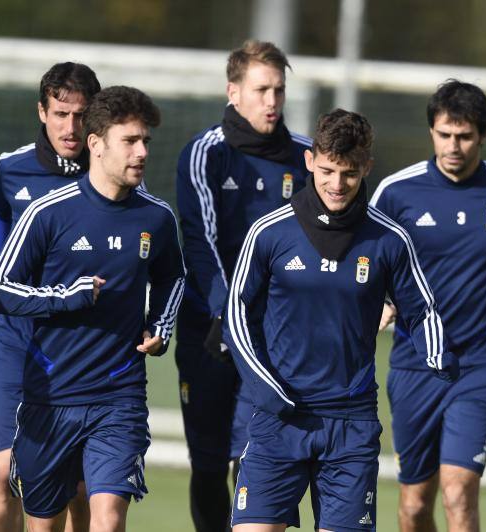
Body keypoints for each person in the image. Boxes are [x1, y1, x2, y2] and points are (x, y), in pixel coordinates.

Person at [224, 109, 458, 532]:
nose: (336, 184)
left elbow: (422, 308)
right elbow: (236, 315)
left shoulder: (390, 238)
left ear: (366, 167)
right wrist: (266, 387)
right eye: (327, 170)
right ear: (310, 160)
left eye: (349, 173)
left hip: (350, 425)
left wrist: (437, 356)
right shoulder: (269, 232)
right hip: (280, 418)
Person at [0, 85, 185, 532]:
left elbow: (174, 277)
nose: (142, 152)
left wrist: (161, 326)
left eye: (145, 141)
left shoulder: (157, 217)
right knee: (45, 524)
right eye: (130, 141)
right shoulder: (47, 213)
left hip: (119, 395)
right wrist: (63, 295)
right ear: (96, 144)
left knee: (108, 518)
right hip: (49, 395)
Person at [370, 80, 486, 532]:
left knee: (458, 492)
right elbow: (367, 254)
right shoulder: (396, 191)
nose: (453, 146)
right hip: (414, 363)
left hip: (481, 364)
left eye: (465, 136)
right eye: (444, 134)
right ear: (431, 131)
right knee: (413, 508)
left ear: (484, 135)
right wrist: (384, 299)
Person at [175, 39, 310, 530]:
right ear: (234, 92)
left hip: (276, 338)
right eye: (261, 90)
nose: (272, 100)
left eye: (278, 90)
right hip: (209, 332)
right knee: (209, 465)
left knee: (259, 458)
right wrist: (223, 312)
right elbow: (199, 239)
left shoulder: (308, 159)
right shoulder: (205, 153)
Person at [0, 62, 101, 532]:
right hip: (19, 337)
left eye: (81, 115)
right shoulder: (12, 166)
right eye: (61, 113)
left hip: (82, 346)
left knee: (79, 488)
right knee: (7, 469)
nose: (71, 127)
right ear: (42, 111)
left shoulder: (111, 169)